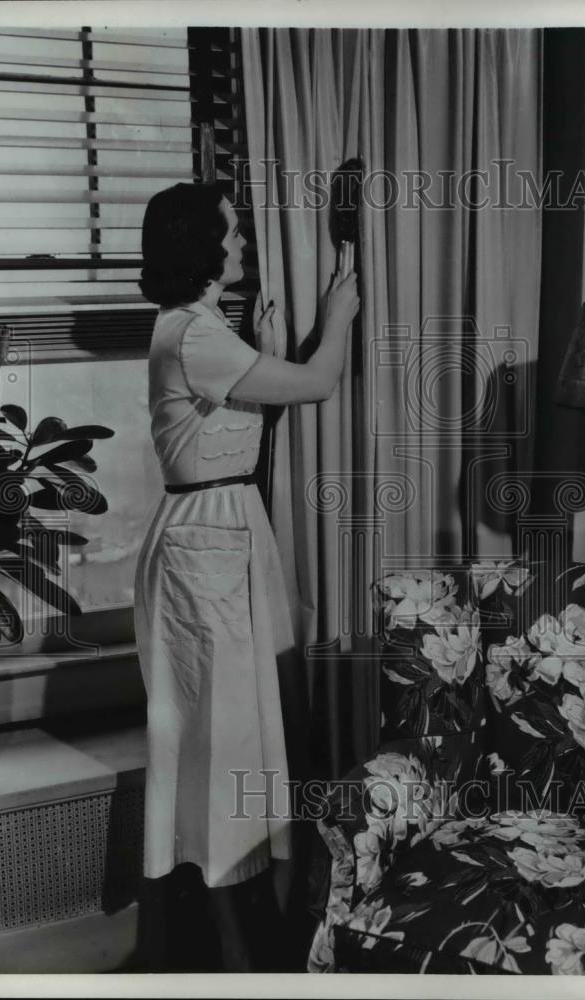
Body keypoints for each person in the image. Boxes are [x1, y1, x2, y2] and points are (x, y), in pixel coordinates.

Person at [133, 182, 359, 971]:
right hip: (207, 542)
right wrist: (338, 318)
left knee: (247, 733)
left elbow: (238, 418)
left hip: (225, 537)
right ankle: (239, 954)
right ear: (202, 245)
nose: (240, 247)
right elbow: (319, 384)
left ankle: (249, 930)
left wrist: (263, 352)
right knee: (229, 742)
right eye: (231, 236)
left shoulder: (199, 330)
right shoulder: (195, 337)